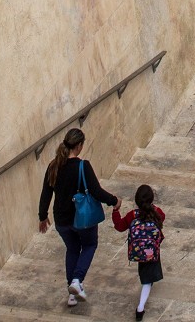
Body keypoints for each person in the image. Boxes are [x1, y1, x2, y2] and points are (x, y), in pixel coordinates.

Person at [38, 127, 119, 308]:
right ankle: (76, 280)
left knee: (73, 250)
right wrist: (114, 201)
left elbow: (46, 193)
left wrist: (42, 216)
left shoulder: (53, 165)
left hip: (61, 220)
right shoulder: (83, 166)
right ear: (79, 145)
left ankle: (72, 294)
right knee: (90, 245)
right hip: (82, 219)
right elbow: (96, 192)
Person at [113, 185, 165, 320]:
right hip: (152, 252)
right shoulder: (157, 212)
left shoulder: (132, 215)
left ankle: (142, 303)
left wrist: (115, 211)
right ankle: (140, 308)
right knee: (147, 281)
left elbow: (119, 226)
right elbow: (162, 219)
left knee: (147, 277)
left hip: (138, 251)